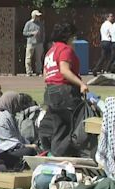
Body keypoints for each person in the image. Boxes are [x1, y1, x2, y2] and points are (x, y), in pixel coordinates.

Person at [43, 23, 88, 156]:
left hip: (50, 91)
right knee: (79, 124)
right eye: (73, 36)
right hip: (65, 91)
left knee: (60, 127)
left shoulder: (50, 51)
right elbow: (64, 70)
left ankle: (57, 155)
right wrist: (81, 84)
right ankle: (81, 154)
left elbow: (46, 74)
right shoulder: (65, 49)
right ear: (68, 36)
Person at [0, 91, 37, 170]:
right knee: (29, 151)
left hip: (6, 151)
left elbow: (18, 137)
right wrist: (28, 146)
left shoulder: (10, 117)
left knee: (32, 150)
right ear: (12, 103)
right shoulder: (3, 120)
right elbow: (9, 143)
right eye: (17, 102)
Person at [23, 10, 45, 76]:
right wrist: (32, 33)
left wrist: (42, 41)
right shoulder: (28, 23)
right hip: (30, 43)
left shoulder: (41, 24)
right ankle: (28, 71)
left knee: (39, 58)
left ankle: (38, 71)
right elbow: (24, 33)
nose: (38, 17)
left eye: (39, 16)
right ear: (33, 16)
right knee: (28, 58)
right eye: (37, 16)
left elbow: (43, 33)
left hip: (39, 43)